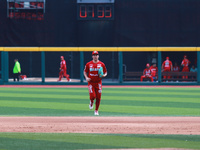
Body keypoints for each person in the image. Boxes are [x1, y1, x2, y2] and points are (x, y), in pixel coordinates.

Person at [84, 51, 107, 116]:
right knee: (93, 96)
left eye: (96, 55)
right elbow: (85, 72)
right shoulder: (88, 64)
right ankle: (91, 101)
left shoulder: (101, 64)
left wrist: (104, 75)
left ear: (98, 56)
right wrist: (86, 78)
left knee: (98, 97)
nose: (95, 56)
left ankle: (96, 110)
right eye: (94, 55)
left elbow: (105, 72)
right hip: (91, 82)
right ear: (92, 56)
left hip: (98, 82)